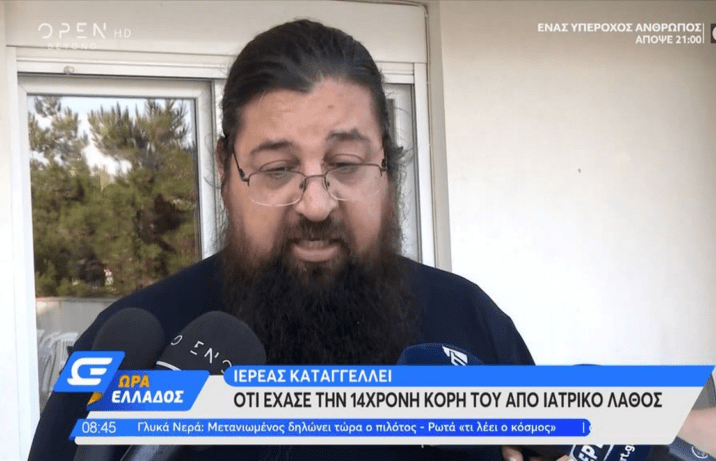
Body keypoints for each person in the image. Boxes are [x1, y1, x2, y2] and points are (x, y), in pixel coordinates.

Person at [28, 19, 534, 461]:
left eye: (346, 165)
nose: (316, 204)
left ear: (387, 163)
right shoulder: (127, 347)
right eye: (277, 169)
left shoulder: (471, 323)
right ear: (225, 169)